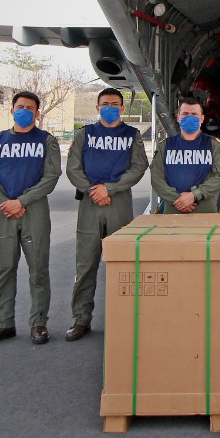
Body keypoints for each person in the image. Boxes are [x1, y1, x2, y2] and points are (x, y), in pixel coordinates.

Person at [0, 90, 62, 346]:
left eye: (30, 108)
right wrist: (6, 202)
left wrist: (21, 201)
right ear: (12, 110)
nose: (24, 111)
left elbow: (51, 177)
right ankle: (2, 323)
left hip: (33, 210)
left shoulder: (46, 141)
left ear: (37, 113)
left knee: (38, 269)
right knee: (3, 269)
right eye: (20, 107)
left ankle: (38, 323)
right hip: (3, 211)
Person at [64, 87, 149, 341]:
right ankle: (81, 319)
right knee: (86, 263)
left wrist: (110, 188)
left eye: (115, 104)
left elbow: (138, 167)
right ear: (97, 107)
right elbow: (73, 168)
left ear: (123, 108)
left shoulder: (132, 135)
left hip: (119, 201)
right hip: (90, 203)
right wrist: (93, 190)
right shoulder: (85, 135)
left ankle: (122, 318)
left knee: (122, 263)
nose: (109, 107)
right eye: (105, 103)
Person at [150, 95, 220, 213]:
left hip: (204, 207)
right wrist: (178, 199)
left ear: (202, 119)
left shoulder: (213, 145)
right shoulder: (165, 146)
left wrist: (194, 195)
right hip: (173, 207)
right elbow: (157, 178)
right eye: (185, 114)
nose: (189, 117)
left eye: (194, 114)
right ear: (178, 118)